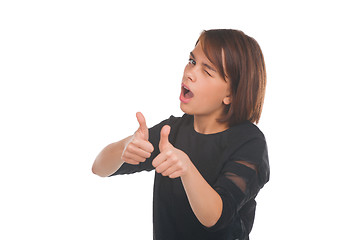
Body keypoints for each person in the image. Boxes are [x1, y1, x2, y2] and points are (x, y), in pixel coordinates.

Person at [92, 29, 270, 240]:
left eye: (207, 70)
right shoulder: (172, 131)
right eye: (192, 61)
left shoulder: (249, 142)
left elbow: (216, 216)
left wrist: (187, 169)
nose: (189, 73)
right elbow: (99, 168)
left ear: (230, 93)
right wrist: (125, 147)